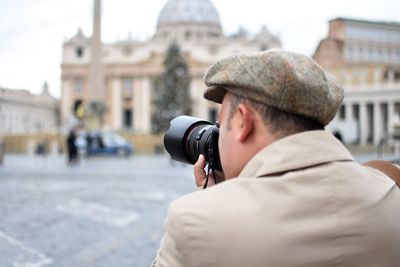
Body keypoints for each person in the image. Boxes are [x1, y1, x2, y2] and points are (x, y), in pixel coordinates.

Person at [151, 50, 400, 267]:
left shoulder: (196, 221)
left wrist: (211, 200)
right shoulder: (390, 189)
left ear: (242, 120)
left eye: (220, 124)